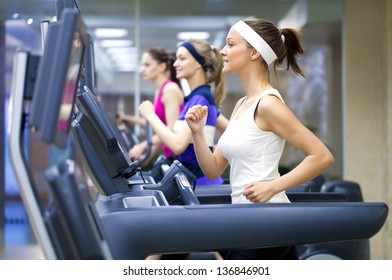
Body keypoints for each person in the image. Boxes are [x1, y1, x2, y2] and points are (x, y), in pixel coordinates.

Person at [185, 18, 335, 260]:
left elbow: (321, 156)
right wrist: (197, 133)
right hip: (246, 219)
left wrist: (273, 186)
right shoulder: (242, 105)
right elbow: (212, 170)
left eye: (231, 44)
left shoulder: (268, 104)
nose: (223, 51)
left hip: (269, 219)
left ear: (254, 52)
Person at [138, 38, 227, 186]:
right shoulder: (196, 98)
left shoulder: (201, 98)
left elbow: (178, 145)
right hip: (190, 181)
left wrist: (150, 115)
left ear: (199, 63)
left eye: (182, 59)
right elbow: (232, 131)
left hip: (201, 185)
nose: (175, 64)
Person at [117, 47, 184, 165]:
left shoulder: (170, 89)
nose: (142, 70)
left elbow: (171, 129)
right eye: (142, 65)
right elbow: (157, 124)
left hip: (180, 156)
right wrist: (130, 119)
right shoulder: (159, 91)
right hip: (169, 154)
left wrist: (143, 146)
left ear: (162, 67)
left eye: (147, 65)